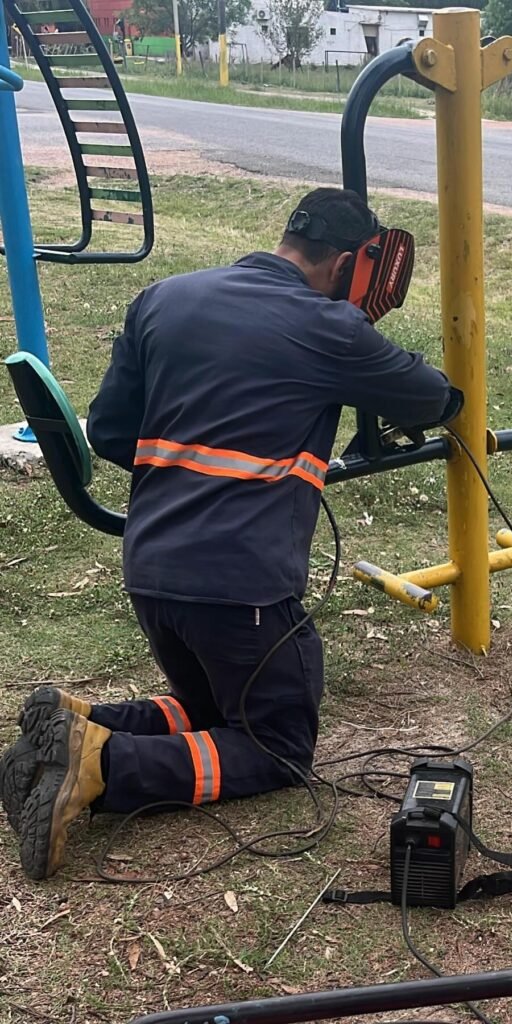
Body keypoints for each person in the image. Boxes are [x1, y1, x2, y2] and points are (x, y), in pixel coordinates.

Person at [0, 188, 460, 880]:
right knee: (276, 746)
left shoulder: (163, 299)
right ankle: (98, 763)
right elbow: (432, 398)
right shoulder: (328, 327)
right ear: (345, 264)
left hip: (151, 576)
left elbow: (115, 432)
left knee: (213, 709)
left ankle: (78, 720)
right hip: (241, 591)